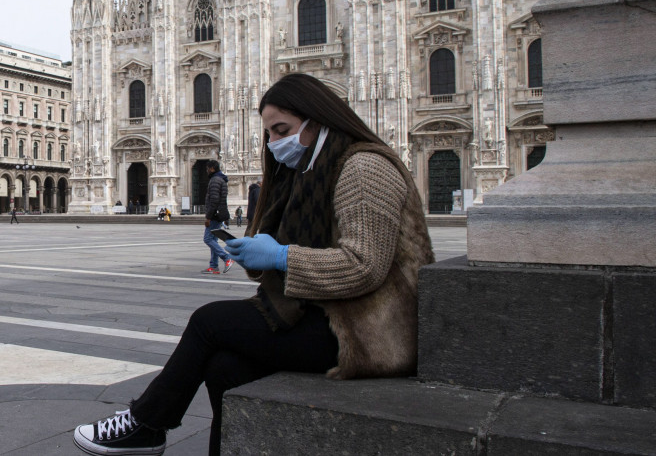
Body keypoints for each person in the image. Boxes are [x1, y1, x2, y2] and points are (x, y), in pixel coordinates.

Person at [72, 73, 435, 456]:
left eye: (283, 130)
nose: (276, 143)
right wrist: (258, 252)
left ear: (319, 119)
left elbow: (363, 265)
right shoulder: (310, 171)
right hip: (332, 317)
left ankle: (146, 423)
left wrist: (280, 255)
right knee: (224, 369)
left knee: (208, 322)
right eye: (270, 135)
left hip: (372, 334)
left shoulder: (364, 167)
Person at [200, 160, 233, 275]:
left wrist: (208, 217)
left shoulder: (214, 180)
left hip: (214, 215)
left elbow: (214, 200)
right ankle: (213, 266)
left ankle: (227, 258)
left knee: (208, 239)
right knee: (213, 239)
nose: (207, 171)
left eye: (207, 168)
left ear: (212, 168)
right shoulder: (222, 179)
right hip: (219, 214)